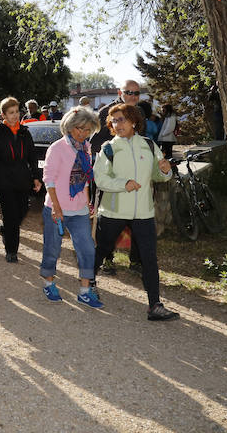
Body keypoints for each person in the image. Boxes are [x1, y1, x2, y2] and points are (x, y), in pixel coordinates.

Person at [93, 104, 179, 321]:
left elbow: (159, 176)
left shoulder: (149, 146)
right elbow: (100, 179)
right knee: (102, 249)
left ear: (133, 121)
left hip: (143, 212)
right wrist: (124, 184)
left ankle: (155, 306)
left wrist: (164, 170)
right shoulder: (108, 149)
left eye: (121, 119)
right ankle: (88, 284)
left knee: (149, 258)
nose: (117, 124)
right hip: (113, 211)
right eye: (113, 121)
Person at [40, 107, 103, 308]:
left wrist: (87, 202)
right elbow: (48, 180)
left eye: (87, 130)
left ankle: (85, 291)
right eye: (79, 129)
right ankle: (48, 283)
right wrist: (56, 208)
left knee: (87, 249)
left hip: (79, 209)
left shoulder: (86, 147)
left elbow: (84, 178)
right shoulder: (57, 148)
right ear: (69, 126)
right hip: (56, 207)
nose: (83, 133)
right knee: (52, 248)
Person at [90, 79, 143, 274]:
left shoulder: (140, 113)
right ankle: (106, 259)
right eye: (129, 92)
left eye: (136, 93)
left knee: (137, 219)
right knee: (108, 221)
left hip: (135, 178)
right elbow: (95, 143)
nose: (132, 96)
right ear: (121, 92)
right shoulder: (107, 112)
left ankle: (136, 261)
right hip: (111, 178)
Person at [0, 97, 42, 263]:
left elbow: (32, 156)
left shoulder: (25, 132)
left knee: (22, 211)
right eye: (11, 113)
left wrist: (36, 177)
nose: (15, 115)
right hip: (4, 181)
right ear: (3, 115)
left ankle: (4, 229)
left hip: (23, 180)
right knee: (10, 216)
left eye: (17, 111)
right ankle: (11, 250)